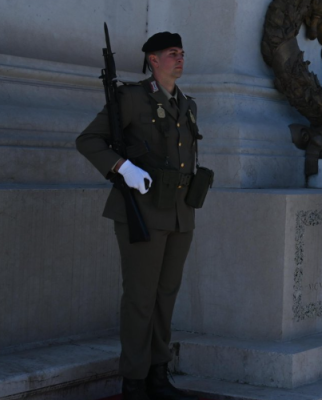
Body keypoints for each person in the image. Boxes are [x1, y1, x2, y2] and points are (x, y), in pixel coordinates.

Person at [76, 32, 200, 400]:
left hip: (180, 216)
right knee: (140, 299)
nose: (179, 58)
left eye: (182, 52)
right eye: (171, 53)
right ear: (152, 59)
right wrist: (121, 167)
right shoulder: (130, 98)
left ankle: (158, 377)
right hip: (142, 214)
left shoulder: (188, 104)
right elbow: (88, 140)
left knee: (165, 298)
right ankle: (134, 382)